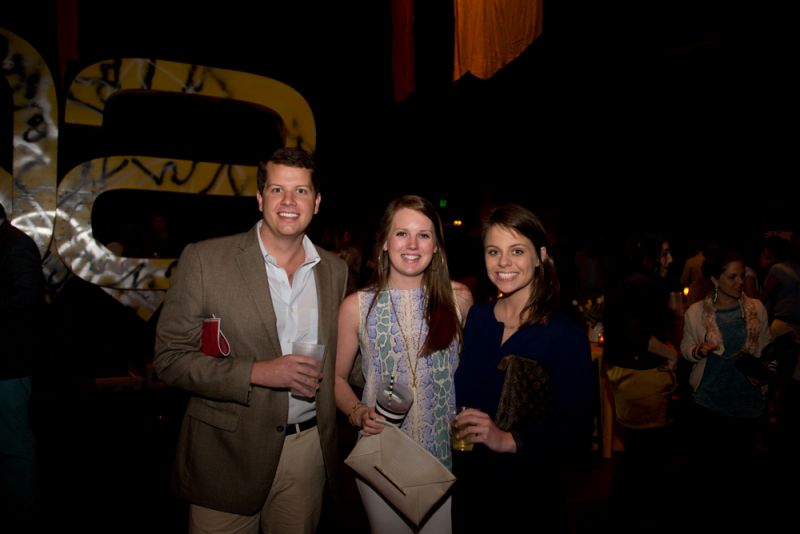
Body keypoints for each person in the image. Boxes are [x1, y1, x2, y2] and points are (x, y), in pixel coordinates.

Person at [154, 147, 348, 534]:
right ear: (260, 198)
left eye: (301, 191)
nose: (289, 202)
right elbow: (170, 358)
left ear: (318, 201)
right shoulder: (206, 260)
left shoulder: (335, 270)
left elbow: (345, 357)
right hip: (226, 455)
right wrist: (257, 373)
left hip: (307, 455)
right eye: (277, 190)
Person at [334, 194, 473, 534]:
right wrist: (357, 412)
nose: (412, 244)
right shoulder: (357, 306)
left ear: (436, 246)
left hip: (443, 458)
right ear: (383, 242)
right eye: (401, 233)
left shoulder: (460, 300)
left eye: (424, 235)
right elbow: (336, 379)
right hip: (382, 456)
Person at [452, 204, 594, 533]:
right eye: (493, 251)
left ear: (540, 256)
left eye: (517, 251)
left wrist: (509, 440)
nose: (503, 263)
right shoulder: (478, 319)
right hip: (470, 489)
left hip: (528, 495)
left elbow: (576, 432)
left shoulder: (565, 334)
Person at [680, 248, 770, 525]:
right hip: (710, 403)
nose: (740, 282)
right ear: (715, 279)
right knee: (712, 479)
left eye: (742, 275)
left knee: (743, 479)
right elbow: (685, 349)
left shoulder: (756, 309)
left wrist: (765, 373)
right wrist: (698, 350)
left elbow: (766, 351)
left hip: (748, 403)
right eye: (732, 277)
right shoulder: (696, 312)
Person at [602, 232, 680, 532]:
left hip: (630, 373)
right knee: (644, 455)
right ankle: (632, 518)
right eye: (663, 253)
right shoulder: (642, 283)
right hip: (640, 375)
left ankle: (626, 515)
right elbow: (638, 334)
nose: (669, 259)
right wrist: (671, 354)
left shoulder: (625, 279)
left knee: (638, 453)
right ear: (646, 255)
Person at [0, 202, 45, 532]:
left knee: (13, 441)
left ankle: (24, 511)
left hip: (8, 363)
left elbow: (28, 297)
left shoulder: (16, 244)